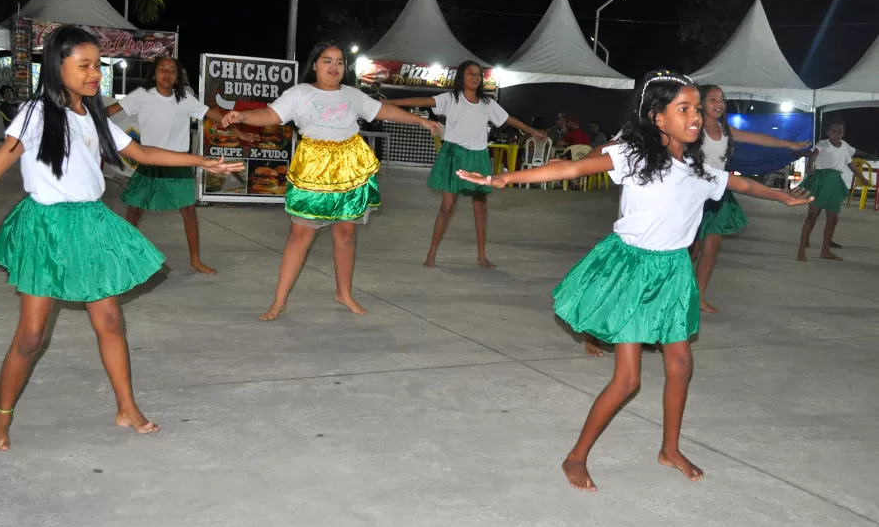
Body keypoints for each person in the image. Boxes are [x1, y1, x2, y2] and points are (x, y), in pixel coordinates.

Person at [457, 70, 811, 491]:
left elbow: (741, 183)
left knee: (680, 365)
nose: (695, 116)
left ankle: (670, 449)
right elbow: (572, 170)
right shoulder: (632, 155)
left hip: (675, 271)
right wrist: (503, 178)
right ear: (657, 117)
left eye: (697, 108)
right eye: (684, 109)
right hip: (632, 269)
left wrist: (782, 195)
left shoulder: (699, 169)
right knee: (629, 379)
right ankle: (576, 455)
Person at [0, 26, 243, 452]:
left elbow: (142, 154)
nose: (93, 74)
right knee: (31, 336)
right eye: (83, 66)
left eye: (96, 66)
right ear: (56, 66)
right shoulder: (35, 113)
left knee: (110, 321)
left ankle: (126, 407)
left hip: (92, 224)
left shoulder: (94, 113)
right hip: (46, 228)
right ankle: (1, 417)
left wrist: (202, 162)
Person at [221, 41, 441, 320]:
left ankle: (343, 293)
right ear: (314, 65)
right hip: (314, 167)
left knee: (345, 234)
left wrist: (421, 122)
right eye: (327, 60)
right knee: (300, 235)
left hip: (349, 167)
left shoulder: (353, 95)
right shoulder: (300, 93)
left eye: (339, 62)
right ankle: (279, 301)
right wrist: (243, 115)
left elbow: (383, 111)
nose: (334, 67)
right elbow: (271, 115)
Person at [385, 60, 546, 268]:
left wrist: (532, 131)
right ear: (462, 77)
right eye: (471, 73)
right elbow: (423, 101)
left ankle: (481, 255)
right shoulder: (451, 99)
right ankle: (431, 252)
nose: (476, 77)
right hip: (454, 155)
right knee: (447, 206)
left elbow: (508, 119)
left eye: (479, 74)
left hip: (478, 157)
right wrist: (390, 103)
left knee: (480, 208)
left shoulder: (487, 103)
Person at [106, 57, 257, 274]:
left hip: (179, 163)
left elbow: (213, 114)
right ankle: (119, 256)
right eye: (162, 69)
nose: (167, 74)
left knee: (188, 211)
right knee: (135, 209)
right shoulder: (141, 95)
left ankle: (195, 260)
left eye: (172, 70)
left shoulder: (185, 98)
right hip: (151, 160)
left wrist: (238, 131)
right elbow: (109, 112)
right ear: (154, 73)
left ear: (178, 76)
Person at [691, 85, 811, 313]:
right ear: (700, 103)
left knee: (712, 247)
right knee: (688, 250)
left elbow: (757, 138)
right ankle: (677, 294)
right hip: (692, 194)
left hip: (719, 193)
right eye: (712, 99)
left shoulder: (725, 129)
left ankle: (699, 297)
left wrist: (790, 144)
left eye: (722, 99)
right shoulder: (693, 128)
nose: (719, 103)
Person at [797, 118, 869, 262]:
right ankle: (801, 251)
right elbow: (813, 154)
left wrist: (861, 177)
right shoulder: (823, 144)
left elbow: (851, 164)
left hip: (835, 182)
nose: (837, 134)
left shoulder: (844, 147)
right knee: (812, 216)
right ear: (827, 132)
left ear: (843, 133)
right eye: (834, 132)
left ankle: (825, 251)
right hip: (821, 181)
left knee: (832, 219)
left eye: (840, 132)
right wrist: (810, 166)